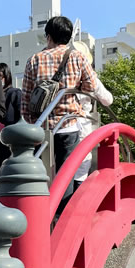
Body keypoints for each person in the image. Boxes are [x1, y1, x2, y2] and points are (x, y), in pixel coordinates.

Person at [21, 16, 97, 206]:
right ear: (69, 36)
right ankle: (61, 216)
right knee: (66, 174)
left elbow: (26, 98)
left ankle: (40, 213)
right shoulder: (77, 57)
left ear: (48, 36)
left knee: (42, 174)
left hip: (42, 127)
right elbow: (91, 86)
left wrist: (32, 123)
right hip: (68, 124)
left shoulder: (34, 60)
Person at [69, 42, 113, 191]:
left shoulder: (60, 73)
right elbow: (107, 99)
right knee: (82, 165)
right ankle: (75, 199)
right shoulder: (89, 76)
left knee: (61, 165)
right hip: (82, 123)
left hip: (58, 124)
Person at [0, 62, 22, 166]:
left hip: (10, 141)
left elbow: (22, 118)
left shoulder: (15, 93)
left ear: (6, 77)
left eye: (0, 77)